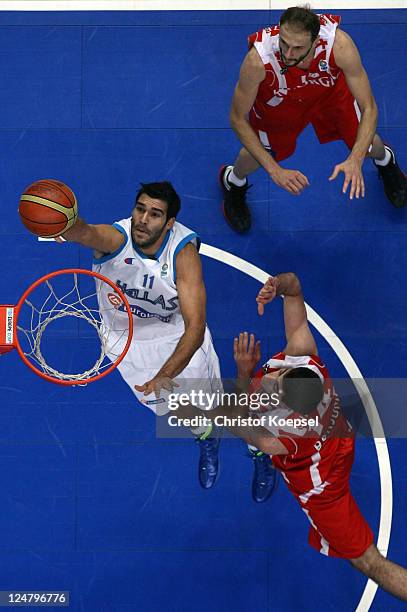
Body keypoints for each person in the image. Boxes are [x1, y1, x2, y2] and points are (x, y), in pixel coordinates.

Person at [171, 272, 407, 601]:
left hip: (321, 487)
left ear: (291, 408)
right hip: (338, 440)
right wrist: (277, 286)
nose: (274, 380)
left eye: (279, 390)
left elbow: (236, 423)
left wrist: (242, 374)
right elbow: (295, 287)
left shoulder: (283, 435)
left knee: (368, 562)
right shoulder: (306, 359)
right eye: (281, 376)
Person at [55, 180, 276, 499]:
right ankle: (206, 436)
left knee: (222, 409)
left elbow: (195, 328)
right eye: (140, 209)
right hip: (126, 347)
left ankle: (259, 452)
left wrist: (166, 374)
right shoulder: (115, 238)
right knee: (174, 408)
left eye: (155, 214)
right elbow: (85, 232)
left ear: (170, 223)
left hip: (177, 343)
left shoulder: (183, 254)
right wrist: (64, 221)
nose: (143, 219)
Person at [220, 5, 407, 232]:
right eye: (284, 44)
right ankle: (233, 181)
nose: (288, 54)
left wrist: (356, 158)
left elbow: (369, 107)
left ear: (316, 42)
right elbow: (237, 118)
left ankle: (385, 160)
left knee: (366, 145)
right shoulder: (257, 62)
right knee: (262, 153)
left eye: (298, 48)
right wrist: (274, 170)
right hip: (280, 100)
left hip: (329, 93)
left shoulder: (339, 46)